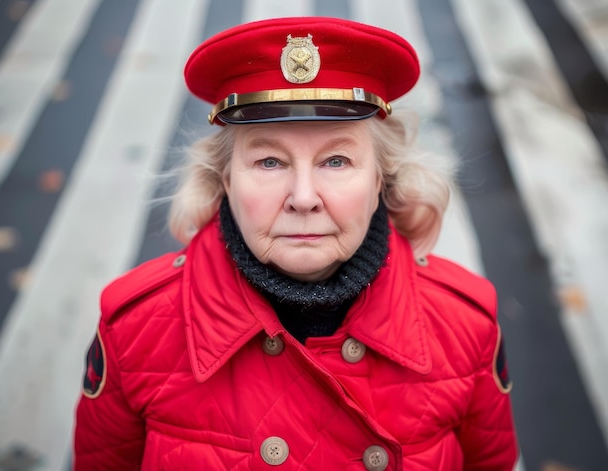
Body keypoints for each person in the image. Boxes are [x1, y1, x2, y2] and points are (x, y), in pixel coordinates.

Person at [73, 16, 518, 470]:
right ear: (225, 178)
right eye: (269, 161)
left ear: (381, 178)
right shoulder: (135, 328)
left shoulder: (466, 324)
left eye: (337, 160)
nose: (303, 198)